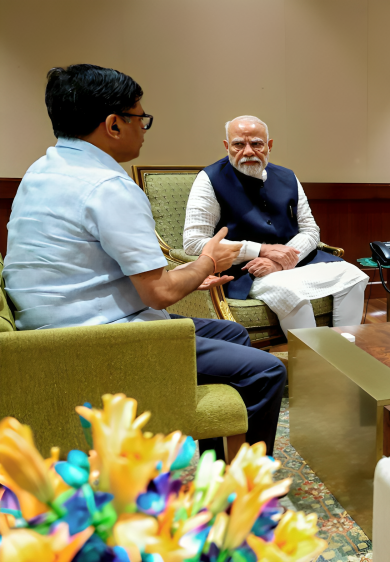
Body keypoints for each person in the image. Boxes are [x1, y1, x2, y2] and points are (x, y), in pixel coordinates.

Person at [2, 64, 286, 455]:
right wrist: (207, 262)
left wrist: (192, 273)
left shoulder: (41, 170)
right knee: (268, 371)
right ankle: (245, 485)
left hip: (49, 330)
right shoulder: (109, 187)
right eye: (140, 118)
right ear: (114, 124)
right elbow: (159, 293)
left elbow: (94, 267)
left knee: (232, 333)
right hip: (98, 341)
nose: (144, 128)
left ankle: (213, 459)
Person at [183, 116, 368, 335]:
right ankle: (311, 356)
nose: (248, 151)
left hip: (293, 262)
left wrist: (280, 261)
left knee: (353, 276)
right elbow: (194, 242)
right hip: (246, 270)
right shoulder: (209, 179)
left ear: (269, 145)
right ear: (227, 146)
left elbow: (310, 230)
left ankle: (344, 348)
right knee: (290, 292)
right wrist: (260, 250)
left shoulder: (288, 176)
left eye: (256, 144)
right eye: (239, 144)